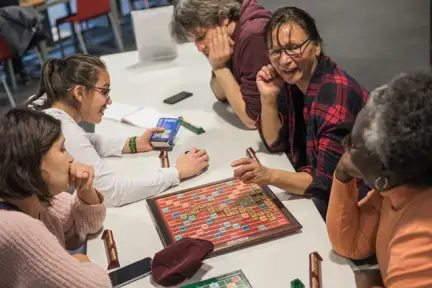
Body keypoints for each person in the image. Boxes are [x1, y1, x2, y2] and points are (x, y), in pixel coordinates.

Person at [231, 6, 369, 218]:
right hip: (321, 184)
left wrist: (268, 175)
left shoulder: (335, 96)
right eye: (276, 51)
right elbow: (275, 143)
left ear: (316, 47)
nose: (284, 61)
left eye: (293, 47)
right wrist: (268, 97)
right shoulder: (293, 81)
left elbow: (326, 182)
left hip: (361, 200)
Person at [28, 54, 209, 207]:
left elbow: (83, 141)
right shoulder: (64, 130)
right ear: (79, 93)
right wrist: (176, 172)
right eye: (104, 92)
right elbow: (112, 192)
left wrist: (131, 144)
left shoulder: (41, 106)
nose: (109, 101)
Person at [326, 72, 432, 287]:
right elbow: (350, 244)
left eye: (352, 145)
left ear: (384, 172)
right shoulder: (399, 186)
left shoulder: (415, 249)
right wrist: (343, 172)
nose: (343, 148)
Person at [0, 108, 111, 288]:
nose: (70, 158)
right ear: (35, 162)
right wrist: (81, 263)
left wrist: (85, 189)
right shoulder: (16, 228)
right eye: (62, 149)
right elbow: (96, 285)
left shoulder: (36, 200)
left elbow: (86, 226)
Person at [170, 0, 271, 129]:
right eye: (195, 42)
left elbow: (253, 120)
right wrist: (218, 64)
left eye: (201, 37)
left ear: (223, 18)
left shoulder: (254, 34)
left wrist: (219, 67)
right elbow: (219, 93)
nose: (199, 48)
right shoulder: (231, 33)